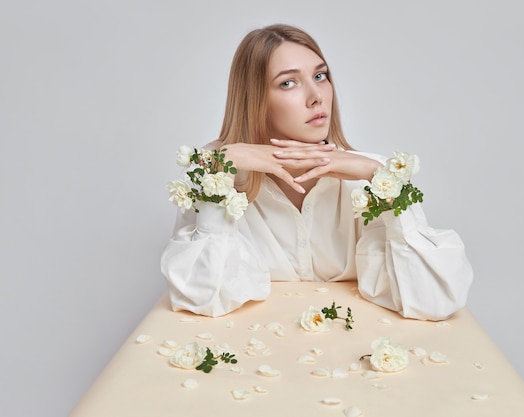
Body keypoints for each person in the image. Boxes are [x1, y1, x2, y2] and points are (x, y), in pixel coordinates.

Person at [161, 23, 473, 321]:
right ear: (255, 101)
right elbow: (202, 300)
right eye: (288, 82)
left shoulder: (372, 181)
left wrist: (380, 176)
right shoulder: (214, 181)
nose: (316, 96)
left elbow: (434, 301)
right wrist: (222, 166)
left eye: (320, 76)